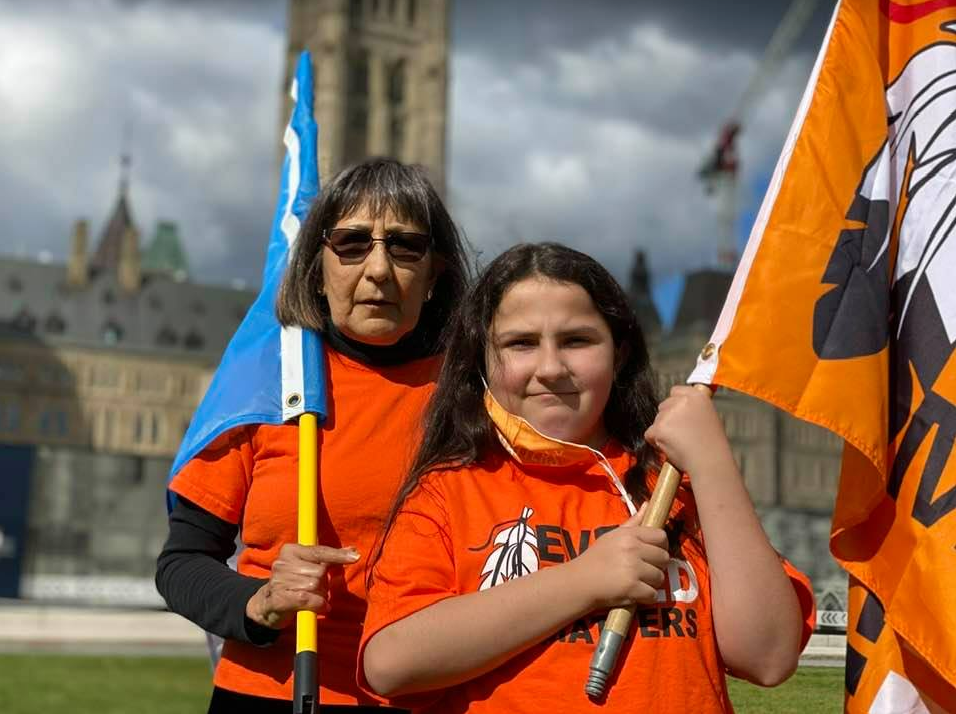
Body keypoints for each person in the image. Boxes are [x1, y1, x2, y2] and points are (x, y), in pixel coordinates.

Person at [358, 242, 816, 713]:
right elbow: (390, 663)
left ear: (618, 355)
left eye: (577, 340)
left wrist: (714, 464)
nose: (551, 368)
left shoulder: (676, 487)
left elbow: (768, 656)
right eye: (521, 343)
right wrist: (584, 581)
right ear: (482, 361)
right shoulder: (449, 490)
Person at [155, 157, 470, 713]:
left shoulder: (476, 396)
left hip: (426, 697)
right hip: (273, 691)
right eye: (350, 244)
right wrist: (261, 603)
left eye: (405, 247)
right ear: (317, 269)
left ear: (435, 272)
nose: (378, 269)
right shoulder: (268, 386)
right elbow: (181, 564)